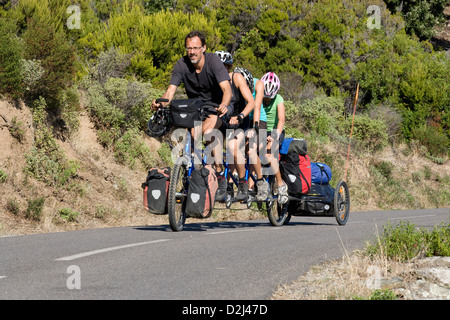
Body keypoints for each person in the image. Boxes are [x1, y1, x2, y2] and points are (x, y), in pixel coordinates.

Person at [151, 31, 233, 200]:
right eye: (189, 48)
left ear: (204, 48)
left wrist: (224, 105)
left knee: (207, 133)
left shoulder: (213, 62)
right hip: (196, 108)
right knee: (186, 137)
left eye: (196, 48)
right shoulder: (181, 65)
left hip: (218, 107)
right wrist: (161, 103)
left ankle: (220, 174)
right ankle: (191, 174)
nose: (192, 52)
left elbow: (227, 89)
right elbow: (170, 91)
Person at [214, 51, 269, 202]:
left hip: (241, 120)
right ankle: (224, 183)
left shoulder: (239, 79)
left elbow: (253, 104)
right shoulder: (212, 80)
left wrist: (248, 121)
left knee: (240, 149)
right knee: (212, 144)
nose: (219, 70)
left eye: (223, 67)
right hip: (224, 120)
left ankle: (254, 183)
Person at [260, 72, 288, 204]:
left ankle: (281, 185)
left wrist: (274, 136)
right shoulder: (258, 97)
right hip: (262, 129)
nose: (267, 100)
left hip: (276, 130)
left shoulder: (279, 99)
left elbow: (281, 120)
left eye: (269, 98)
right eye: (265, 97)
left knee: (268, 155)